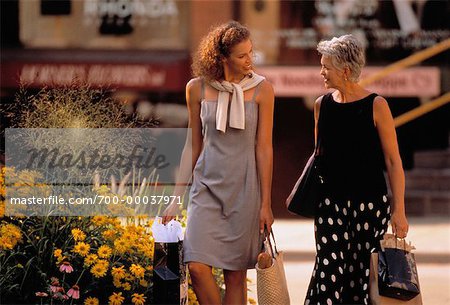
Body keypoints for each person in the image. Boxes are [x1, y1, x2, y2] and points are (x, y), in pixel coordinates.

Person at [162, 21, 275, 305]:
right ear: (222, 58)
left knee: (235, 276)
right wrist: (175, 197)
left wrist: (266, 204)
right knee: (197, 268)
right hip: (206, 189)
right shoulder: (196, 89)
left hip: (245, 191)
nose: (250, 60)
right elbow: (193, 144)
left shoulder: (263, 90)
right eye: (242, 55)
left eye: (251, 52)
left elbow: (264, 148)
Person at [303, 34, 409, 305]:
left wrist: (399, 211)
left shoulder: (377, 105)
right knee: (328, 272)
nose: (321, 72)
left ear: (345, 70)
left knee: (361, 276)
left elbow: (394, 162)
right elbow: (320, 156)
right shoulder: (321, 106)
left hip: (370, 206)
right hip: (331, 206)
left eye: (326, 66)